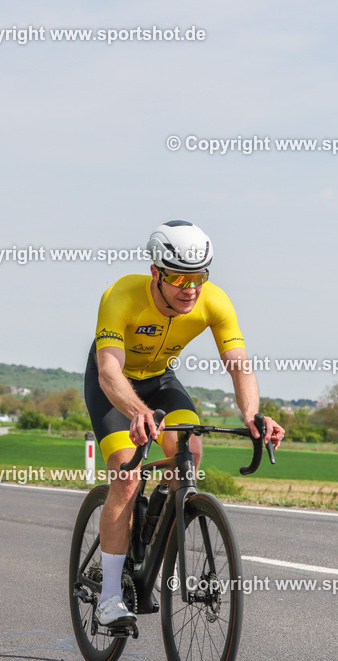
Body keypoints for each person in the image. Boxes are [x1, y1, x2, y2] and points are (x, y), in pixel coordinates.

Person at [84, 219, 285, 627]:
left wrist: (251, 414)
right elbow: (109, 371)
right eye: (179, 277)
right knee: (126, 477)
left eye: (199, 276)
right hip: (114, 386)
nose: (191, 287)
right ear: (156, 272)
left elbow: (240, 366)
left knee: (188, 454)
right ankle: (108, 596)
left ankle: (151, 532)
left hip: (160, 382)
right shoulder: (121, 295)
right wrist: (137, 413)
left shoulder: (214, 302)